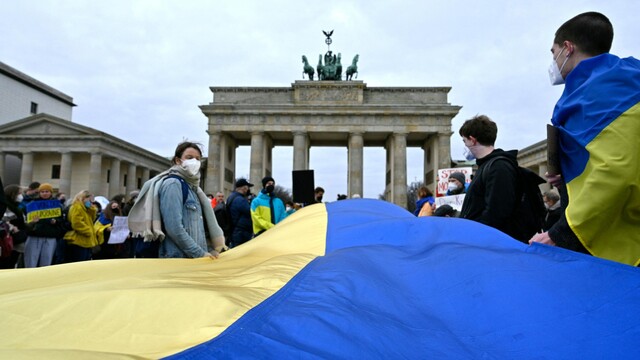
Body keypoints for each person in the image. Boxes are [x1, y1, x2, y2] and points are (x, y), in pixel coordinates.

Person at [529, 12, 640, 266]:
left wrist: (559, 234)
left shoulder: (594, 94)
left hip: (615, 246)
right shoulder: (628, 78)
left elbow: (614, 172)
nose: (553, 62)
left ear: (567, 48)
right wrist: (566, 178)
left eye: (553, 52)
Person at [128, 141, 226, 259]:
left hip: (193, 258)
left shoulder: (193, 188)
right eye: (189, 157)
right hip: (178, 257)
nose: (194, 161)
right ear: (178, 160)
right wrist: (199, 253)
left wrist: (209, 249)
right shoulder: (173, 184)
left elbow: (199, 229)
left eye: (197, 159)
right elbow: (174, 228)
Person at [458, 115, 521, 240]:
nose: (465, 145)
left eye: (464, 141)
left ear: (472, 140)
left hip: (487, 243)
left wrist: (476, 238)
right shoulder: (487, 166)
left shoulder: (498, 167)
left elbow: (497, 213)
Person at [23, 183, 63, 267]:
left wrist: (55, 221)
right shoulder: (32, 204)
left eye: (47, 191)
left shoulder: (57, 205)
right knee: (31, 260)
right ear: (39, 193)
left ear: (51, 193)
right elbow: (26, 219)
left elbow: (61, 220)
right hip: (35, 235)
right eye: (42, 192)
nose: (44, 193)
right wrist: (33, 222)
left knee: (46, 261)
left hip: (50, 235)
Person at [64, 190, 99, 262]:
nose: (91, 202)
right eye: (90, 199)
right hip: (79, 240)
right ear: (83, 198)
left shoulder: (85, 209)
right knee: (80, 261)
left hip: (86, 240)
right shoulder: (77, 207)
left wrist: (92, 210)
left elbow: (91, 220)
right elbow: (77, 223)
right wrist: (88, 231)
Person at [227, 178, 254, 248]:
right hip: (241, 232)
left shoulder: (231, 197)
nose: (248, 190)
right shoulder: (240, 200)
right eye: (247, 188)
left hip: (235, 230)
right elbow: (250, 212)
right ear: (244, 188)